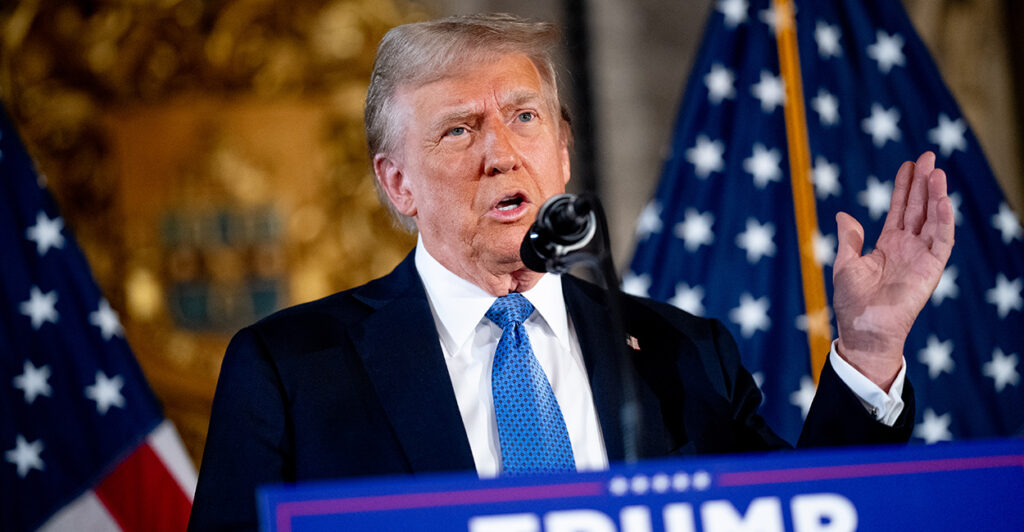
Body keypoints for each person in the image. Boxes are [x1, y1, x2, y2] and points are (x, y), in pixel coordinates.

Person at [188, 13, 954, 530]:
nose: (500, 151)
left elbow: (807, 513)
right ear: (398, 184)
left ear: (561, 149)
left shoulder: (681, 352)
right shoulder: (292, 370)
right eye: (459, 129)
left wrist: (869, 352)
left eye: (523, 117)